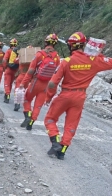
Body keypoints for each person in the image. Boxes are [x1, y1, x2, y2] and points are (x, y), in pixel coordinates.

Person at [44, 32, 112, 160]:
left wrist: (48, 97)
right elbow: (109, 62)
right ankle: (62, 151)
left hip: (65, 94)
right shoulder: (94, 60)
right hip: (80, 96)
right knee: (71, 125)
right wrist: (98, 55)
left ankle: (55, 141)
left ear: (71, 46)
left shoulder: (67, 61)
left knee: (50, 119)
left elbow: (53, 83)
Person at [19, 34, 60, 130]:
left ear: (45, 42)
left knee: (27, 99)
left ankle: (28, 115)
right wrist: (52, 92)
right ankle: (31, 123)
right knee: (38, 105)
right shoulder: (57, 58)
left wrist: (23, 83)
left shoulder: (39, 54)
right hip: (46, 84)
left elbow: (30, 71)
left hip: (36, 81)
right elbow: (56, 75)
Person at [13, 45, 33, 111]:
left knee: (17, 90)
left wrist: (19, 56)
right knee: (24, 91)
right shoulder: (33, 59)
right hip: (28, 78)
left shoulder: (22, 57)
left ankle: (17, 103)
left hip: (21, 76)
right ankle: (24, 104)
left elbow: (15, 61)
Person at [2, 38, 19, 102]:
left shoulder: (8, 51)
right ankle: (12, 95)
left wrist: (4, 67)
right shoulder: (18, 51)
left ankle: (7, 95)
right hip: (15, 70)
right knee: (11, 83)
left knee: (7, 83)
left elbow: (4, 60)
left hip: (9, 69)